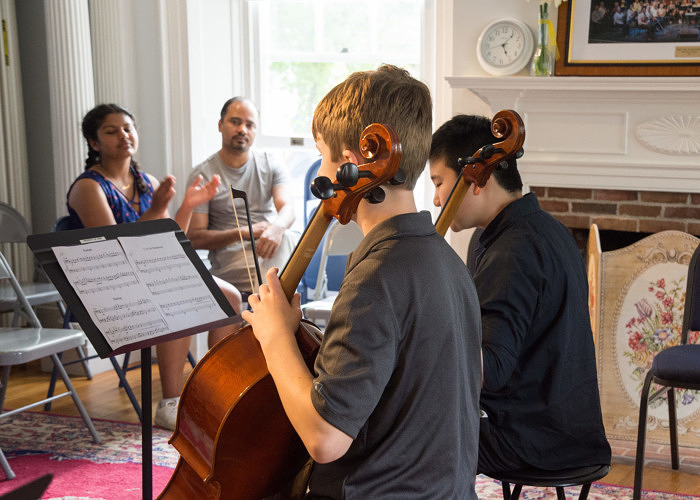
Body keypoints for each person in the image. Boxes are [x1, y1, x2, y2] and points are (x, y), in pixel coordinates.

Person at [241, 66, 482, 499]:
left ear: (351, 165)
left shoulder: (378, 274)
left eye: (324, 155)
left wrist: (275, 335)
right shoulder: (446, 259)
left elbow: (325, 439)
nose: (322, 169)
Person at [428, 114, 611, 474]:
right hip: (565, 428)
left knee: (401, 430)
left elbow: (489, 371)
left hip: (531, 438)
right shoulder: (546, 230)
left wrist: (424, 328)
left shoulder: (512, 250)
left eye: (438, 183)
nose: (436, 201)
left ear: (475, 178)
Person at [66, 103, 243, 430]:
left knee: (230, 297)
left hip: (149, 274)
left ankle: (216, 392)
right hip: (112, 287)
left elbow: (167, 238)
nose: (123, 135)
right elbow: (116, 249)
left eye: (128, 128)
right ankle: (170, 402)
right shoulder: (88, 187)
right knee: (178, 301)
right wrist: (160, 206)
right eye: (111, 131)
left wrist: (187, 205)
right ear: (94, 143)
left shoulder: (145, 181)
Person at [186, 97, 298, 295]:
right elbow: (195, 238)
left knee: (288, 237)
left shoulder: (271, 163)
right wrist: (245, 232)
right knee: (277, 279)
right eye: (235, 122)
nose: (242, 130)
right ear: (220, 125)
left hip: (269, 251)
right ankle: (271, 308)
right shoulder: (202, 175)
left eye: (250, 125)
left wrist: (276, 229)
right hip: (231, 266)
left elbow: (287, 208)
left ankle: (266, 306)